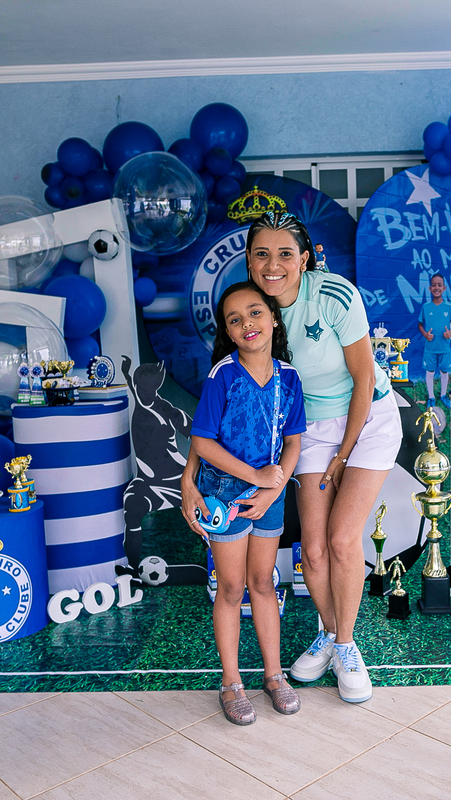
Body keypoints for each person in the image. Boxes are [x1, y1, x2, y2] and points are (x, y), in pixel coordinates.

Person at [184, 210, 401, 704]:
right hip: (307, 433)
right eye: (262, 254)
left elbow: (364, 378)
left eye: (285, 254)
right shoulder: (255, 310)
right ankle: (330, 631)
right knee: (314, 550)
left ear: (304, 259)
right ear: (248, 260)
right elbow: (208, 427)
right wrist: (189, 479)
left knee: (343, 539)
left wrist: (344, 454)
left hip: (365, 421)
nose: (273, 264)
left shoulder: (334, 295)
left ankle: (345, 647)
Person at [182, 281, 307, 725]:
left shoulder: (290, 378)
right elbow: (202, 442)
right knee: (232, 588)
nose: (247, 324)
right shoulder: (223, 376)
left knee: (264, 583)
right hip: (223, 493)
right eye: (234, 320)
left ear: (273, 318)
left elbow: (293, 443)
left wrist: (272, 489)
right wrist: (255, 477)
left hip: (269, 497)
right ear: (228, 332)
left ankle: (273, 675)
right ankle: (231, 682)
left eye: (255, 312)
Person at [417, 272, 451, 406]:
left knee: (444, 371)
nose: (436, 288)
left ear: (444, 288)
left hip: (444, 347)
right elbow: (420, 325)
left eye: (439, 285)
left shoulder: (450, 307)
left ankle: (443, 395)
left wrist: (450, 333)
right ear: (429, 288)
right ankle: (431, 397)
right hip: (430, 348)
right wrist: (425, 334)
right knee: (430, 371)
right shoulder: (426, 307)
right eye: (433, 285)